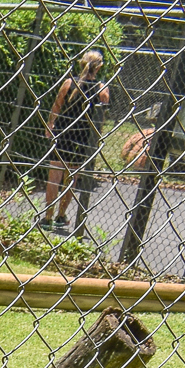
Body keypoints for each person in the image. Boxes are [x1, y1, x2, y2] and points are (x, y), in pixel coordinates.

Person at [42, 51, 109, 232]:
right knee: (71, 179)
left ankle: (47, 217)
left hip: (62, 134)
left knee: (54, 176)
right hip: (83, 138)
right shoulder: (102, 89)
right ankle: (60, 215)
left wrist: (50, 125)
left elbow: (56, 106)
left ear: (81, 64)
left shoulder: (69, 83)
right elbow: (100, 119)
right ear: (99, 67)